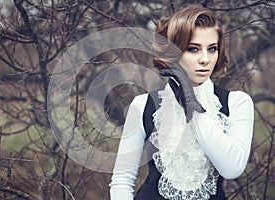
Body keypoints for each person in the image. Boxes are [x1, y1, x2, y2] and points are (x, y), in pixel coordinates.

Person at [109, 4, 254, 200]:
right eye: (193, 49)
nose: (205, 59)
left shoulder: (237, 102)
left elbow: (232, 168)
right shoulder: (142, 105)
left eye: (212, 49)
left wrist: (192, 105)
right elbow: (122, 180)